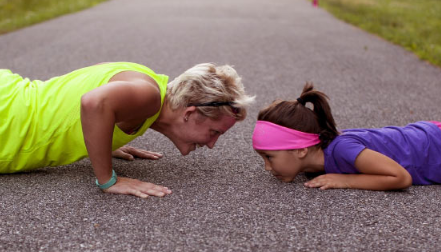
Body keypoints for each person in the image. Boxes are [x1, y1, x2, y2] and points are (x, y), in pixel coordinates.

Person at [0, 62, 255, 198]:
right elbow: (93, 102)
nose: (212, 144)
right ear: (189, 113)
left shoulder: (150, 86)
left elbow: (86, 100)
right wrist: (108, 179)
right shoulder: (149, 96)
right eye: (214, 132)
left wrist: (103, 137)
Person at [252, 82, 441, 191]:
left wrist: (345, 180)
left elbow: (400, 177)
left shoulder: (343, 149)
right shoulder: (315, 158)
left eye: (269, 157)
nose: (267, 167)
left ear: (301, 150)